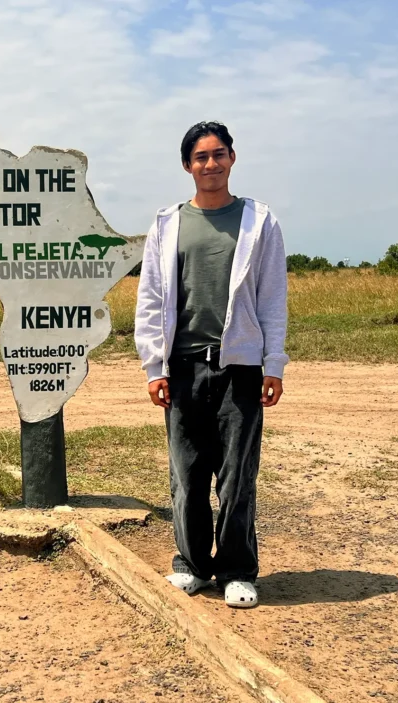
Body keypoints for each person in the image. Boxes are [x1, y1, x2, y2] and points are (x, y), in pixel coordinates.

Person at [134, 121, 287, 609]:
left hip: (239, 367)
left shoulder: (258, 222)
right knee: (187, 473)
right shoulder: (167, 223)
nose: (211, 164)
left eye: (218, 154)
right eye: (200, 157)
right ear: (187, 166)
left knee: (238, 474)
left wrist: (273, 363)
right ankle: (193, 565)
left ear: (232, 158)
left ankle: (238, 570)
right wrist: (154, 366)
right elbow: (153, 297)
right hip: (182, 366)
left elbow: (272, 298)